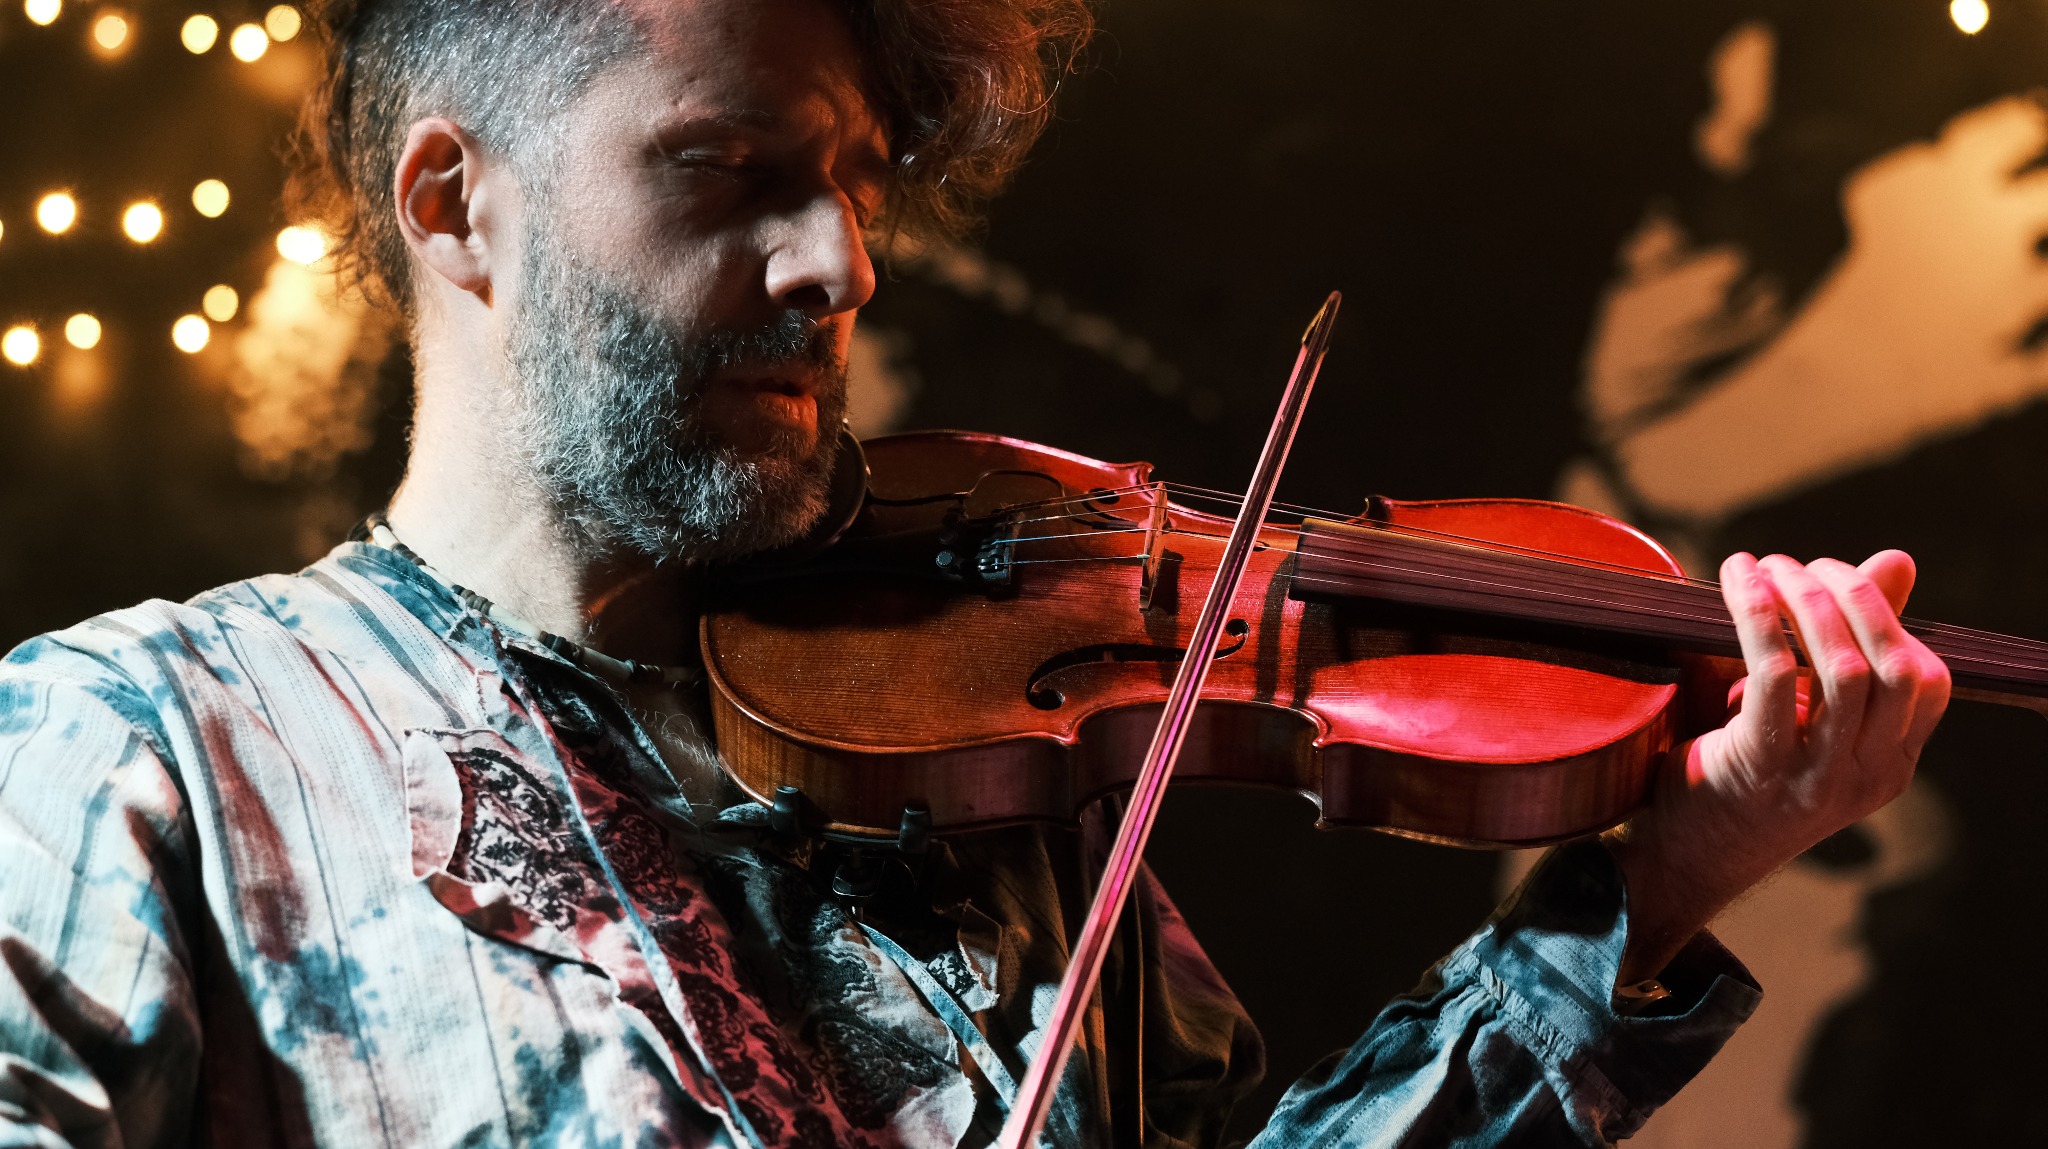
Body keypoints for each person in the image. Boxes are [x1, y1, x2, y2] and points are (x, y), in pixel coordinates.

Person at [0, 1, 1951, 1146]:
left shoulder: (977, 797)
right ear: (455, 205)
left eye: (851, 184)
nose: (839, 265)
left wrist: (1659, 883)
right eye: (726, 168)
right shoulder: (135, 743)